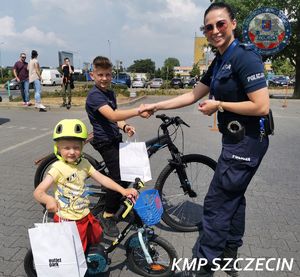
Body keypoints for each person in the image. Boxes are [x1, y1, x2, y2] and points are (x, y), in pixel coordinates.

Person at [141, 2, 270, 276]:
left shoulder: (244, 57)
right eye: (208, 27)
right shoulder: (220, 60)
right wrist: (157, 106)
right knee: (233, 198)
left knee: (215, 205)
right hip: (235, 141)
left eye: (220, 24)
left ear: (233, 24)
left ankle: (202, 266)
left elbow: (261, 106)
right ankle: (229, 255)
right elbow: (192, 95)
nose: (214, 30)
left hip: (247, 141)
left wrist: (220, 105)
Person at [33, 119, 138, 252]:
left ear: (82, 147)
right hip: (68, 220)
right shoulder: (57, 168)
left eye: (76, 147)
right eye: (66, 148)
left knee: (95, 237)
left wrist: (123, 190)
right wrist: (48, 199)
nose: (72, 152)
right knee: (75, 250)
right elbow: (38, 192)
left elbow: (103, 179)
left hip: (85, 215)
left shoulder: (84, 164)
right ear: (58, 148)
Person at [86, 56, 149, 237]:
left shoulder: (109, 93)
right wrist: (138, 110)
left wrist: (125, 126)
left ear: (112, 75)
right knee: (119, 176)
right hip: (104, 141)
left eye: (107, 74)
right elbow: (112, 115)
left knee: (127, 171)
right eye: (100, 75)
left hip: (114, 137)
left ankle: (114, 195)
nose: (104, 78)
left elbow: (116, 119)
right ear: (93, 75)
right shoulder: (95, 96)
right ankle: (107, 215)